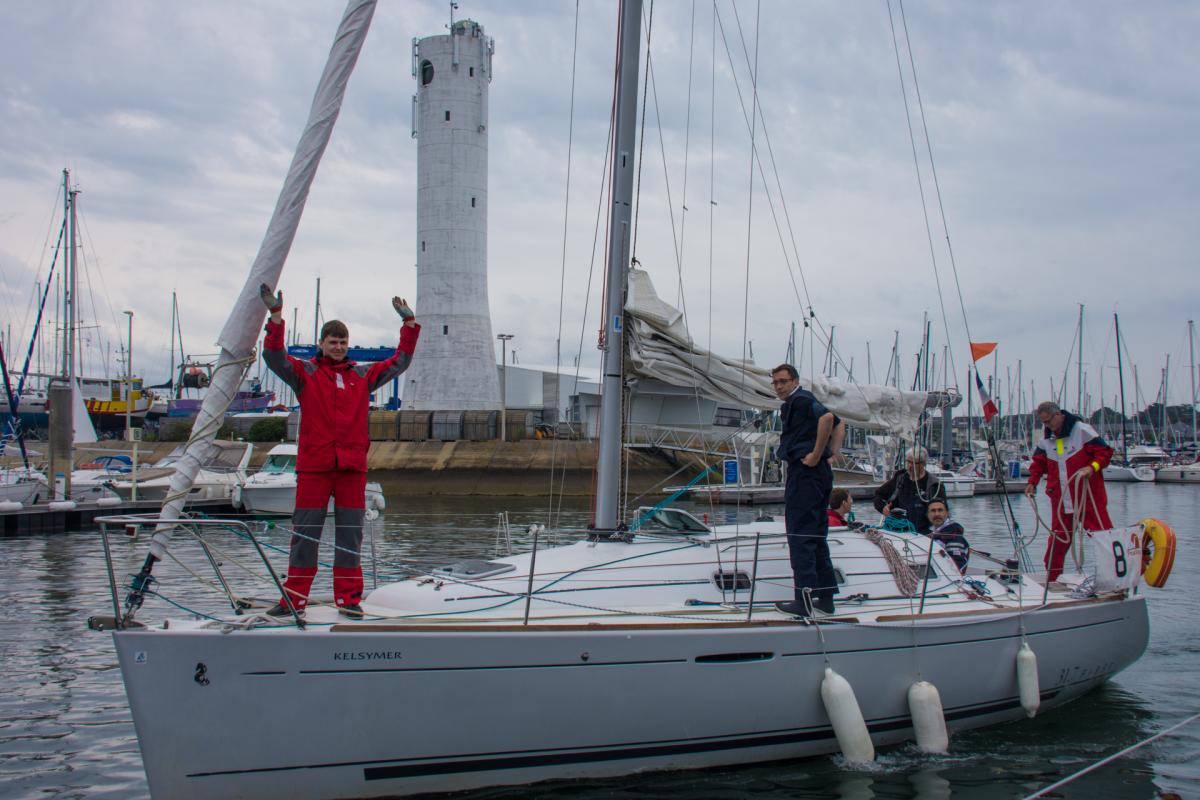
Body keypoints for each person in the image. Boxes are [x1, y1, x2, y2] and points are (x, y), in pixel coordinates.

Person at [259, 284, 421, 619]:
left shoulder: (362, 375)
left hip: (351, 469)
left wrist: (409, 326)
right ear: (322, 343)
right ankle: (294, 600)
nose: (338, 347)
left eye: (343, 342)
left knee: (350, 535)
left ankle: (348, 599)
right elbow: (274, 357)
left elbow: (399, 362)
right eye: (333, 342)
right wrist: (275, 318)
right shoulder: (305, 373)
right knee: (305, 535)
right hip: (314, 467)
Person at [770, 363, 846, 617]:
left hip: (805, 473)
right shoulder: (802, 400)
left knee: (800, 534)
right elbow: (839, 423)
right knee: (816, 534)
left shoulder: (800, 400)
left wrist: (816, 454)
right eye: (775, 382)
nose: (778, 386)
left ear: (795, 381)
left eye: (783, 381)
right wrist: (830, 455)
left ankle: (803, 600)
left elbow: (827, 419)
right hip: (817, 475)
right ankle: (825, 598)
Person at [1024, 400, 1113, 582]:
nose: (1048, 425)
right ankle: (1052, 581)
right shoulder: (1047, 441)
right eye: (1044, 422)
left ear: (1059, 415)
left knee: (1103, 538)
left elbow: (1104, 454)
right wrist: (1033, 482)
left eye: (1049, 421)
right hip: (1061, 501)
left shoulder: (1082, 431)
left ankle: (1115, 577)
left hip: (1088, 498)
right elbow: (1039, 464)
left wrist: (1092, 467)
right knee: (1057, 543)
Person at [872, 446, 945, 534]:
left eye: (914, 463)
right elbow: (878, 494)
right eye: (908, 462)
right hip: (897, 530)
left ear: (923, 463)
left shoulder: (934, 485)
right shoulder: (900, 478)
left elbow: (943, 512)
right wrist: (883, 508)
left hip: (923, 533)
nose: (910, 466)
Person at [925, 498, 969, 571]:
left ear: (947, 513)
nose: (937, 514)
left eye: (940, 510)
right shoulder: (929, 533)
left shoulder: (954, 535)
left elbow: (958, 565)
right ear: (928, 515)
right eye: (933, 511)